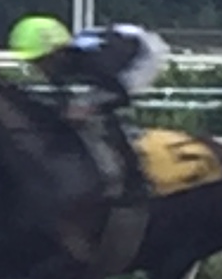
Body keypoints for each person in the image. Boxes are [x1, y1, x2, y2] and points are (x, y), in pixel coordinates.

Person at [38, 20, 170, 198]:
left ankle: (134, 176)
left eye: (41, 61)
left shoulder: (96, 61)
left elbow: (119, 94)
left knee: (88, 107)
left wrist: (89, 109)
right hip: (124, 41)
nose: (39, 68)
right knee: (79, 107)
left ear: (57, 54)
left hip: (146, 55)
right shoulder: (66, 59)